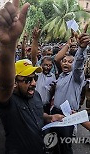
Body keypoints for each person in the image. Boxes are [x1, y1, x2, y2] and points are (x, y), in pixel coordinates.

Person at [0, 1, 63, 153]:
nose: (33, 83)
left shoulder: (35, 95)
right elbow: (5, 84)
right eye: (27, 80)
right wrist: (8, 44)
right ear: (15, 82)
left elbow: (38, 114)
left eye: (34, 78)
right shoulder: (7, 100)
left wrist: (50, 118)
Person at [50, 26, 90, 154]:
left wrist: (81, 48)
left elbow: (78, 65)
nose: (66, 63)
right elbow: (56, 59)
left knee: (65, 147)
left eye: (69, 62)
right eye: (64, 61)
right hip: (55, 114)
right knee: (53, 145)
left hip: (68, 116)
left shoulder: (76, 77)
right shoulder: (60, 76)